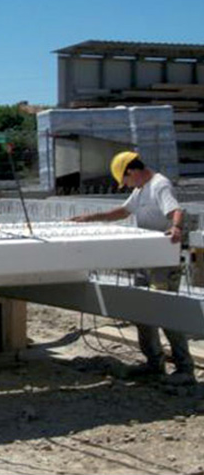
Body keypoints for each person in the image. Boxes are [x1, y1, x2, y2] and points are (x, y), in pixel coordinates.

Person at [70, 151, 196, 386]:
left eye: (125, 180)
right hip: (144, 259)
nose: (126, 185)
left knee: (167, 311)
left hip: (162, 260)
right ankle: (153, 363)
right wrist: (90, 218)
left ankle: (184, 368)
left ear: (132, 171)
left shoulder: (160, 185)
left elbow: (175, 211)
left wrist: (176, 228)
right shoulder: (140, 190)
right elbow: (121, 212)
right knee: (142, 311)